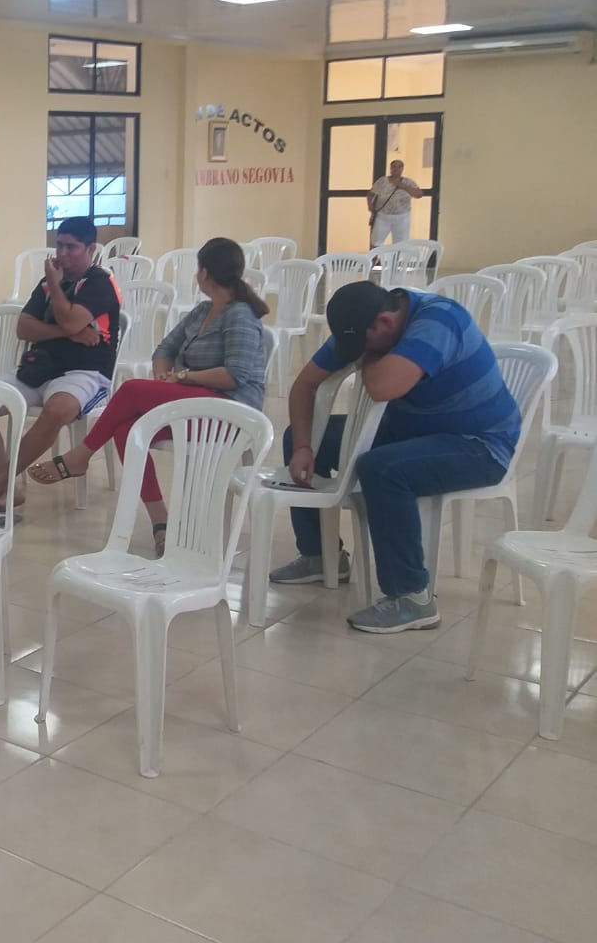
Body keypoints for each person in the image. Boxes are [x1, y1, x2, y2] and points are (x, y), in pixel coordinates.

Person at [269, 281, 520, 633]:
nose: (357, 354)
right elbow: (304, 385)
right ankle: (321, 556)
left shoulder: (439, 320)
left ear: (386, 322)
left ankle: (412, 597)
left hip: (478, 444)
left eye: (363, 346)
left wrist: (366, 357)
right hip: (410, 428)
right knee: (308, 435)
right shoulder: (362, 320)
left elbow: (382, 386)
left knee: (384, 469)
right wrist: (302, 447)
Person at [32, 237, 268, 554]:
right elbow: (164, 349)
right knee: (128, 429)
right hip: (197, 401)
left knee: (131, 389)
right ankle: (161, 522)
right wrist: (163, 377)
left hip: (231, 411)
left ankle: (81, 456)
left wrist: (182, 377)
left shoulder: (239, 314)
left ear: (205, 273)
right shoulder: (203, 311)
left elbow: (234, 375)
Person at [0, 217, 121, 517]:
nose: (62, 254)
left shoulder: (99, 283)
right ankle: (7, 486)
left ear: (91, 249)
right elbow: (24, 328)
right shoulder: (47, 282)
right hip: (40, 368)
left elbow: (70, 319)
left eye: (72, 247)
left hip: (86, 372)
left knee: (57, 410)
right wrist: (68, 332)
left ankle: (0, 485)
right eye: (59, 245)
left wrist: (56, 289)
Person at [368, 159, 425, 246]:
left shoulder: (408, 182)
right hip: (383, 216)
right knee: (376, 241)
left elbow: (419, 194)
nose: (396, 169)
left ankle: (398, 255)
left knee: (401, 243)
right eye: (394, 167)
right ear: (390, 168)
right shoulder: (382, 181)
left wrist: (403, 186)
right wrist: (370, 205)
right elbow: (371, 194)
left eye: (398, 167)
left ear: (402, 169)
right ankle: (377, 255)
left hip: (402, 216)